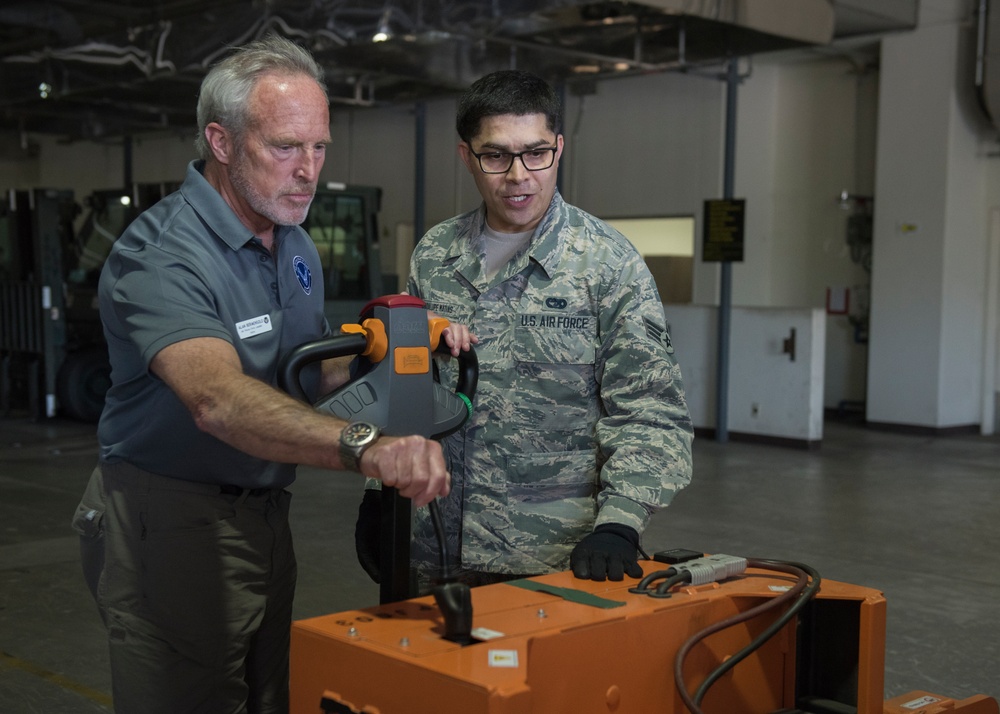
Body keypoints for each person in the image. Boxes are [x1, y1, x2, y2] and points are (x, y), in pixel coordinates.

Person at [70, 35, 455, 714]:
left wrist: (396, 349)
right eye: (284, 147)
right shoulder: (162, 256)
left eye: (319, 147)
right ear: (221, 142)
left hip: (266, 516)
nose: (307, 170)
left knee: (268, 699)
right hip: (171, 519)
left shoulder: (294, 240)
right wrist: (368, 447)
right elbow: (216, 399)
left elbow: (308, 371)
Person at [356, 69, 694, 590]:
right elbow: (404, 387)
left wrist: (620, 524)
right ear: (466, 156)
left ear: (559, 149)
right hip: (429, 544)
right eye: (495, 156)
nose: (518, 175)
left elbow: (651, 411)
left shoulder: (607, 264)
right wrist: (379, 495)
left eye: (536, 152)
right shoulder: (435, 254)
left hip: (551, 558)